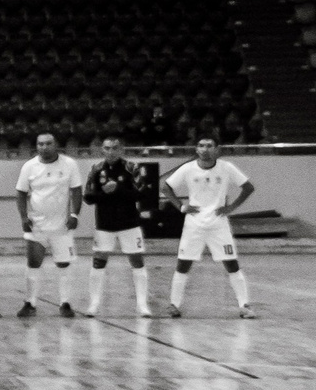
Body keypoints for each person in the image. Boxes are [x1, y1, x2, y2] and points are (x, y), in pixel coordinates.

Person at [164, 136, 255, 318]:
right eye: (201, 145)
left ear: (217, 149)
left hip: (218, 224)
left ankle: (244, 305)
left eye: (209, 146)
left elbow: (248, 187)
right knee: (183, 264)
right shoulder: (188, 168)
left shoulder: (226, 168)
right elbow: (165, 187)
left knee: (231, 263)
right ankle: (174, 305)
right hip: (194, 224)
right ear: (196, 149)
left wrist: (231, 207)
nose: (205, 149)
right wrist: (181, 206)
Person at [14, 132, 84, 317]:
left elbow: (76, 190)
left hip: (62, 227)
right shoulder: (29, 166)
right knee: (33, 263)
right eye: (40, 144)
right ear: (36, 146)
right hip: (36, 226)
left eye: (48, 143)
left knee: (64, 264)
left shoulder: (69, 164)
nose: (44, 147)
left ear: (56, 145)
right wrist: (23, 217)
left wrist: (74, 214)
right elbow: (21, 193)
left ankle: (65, 303)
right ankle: (30, 303)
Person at [81, 136, 152, 317]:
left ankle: (142, 305)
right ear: (102, 150)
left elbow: (142, 194)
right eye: (107, 148)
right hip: (105, 224)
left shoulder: (132, 168)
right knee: (98, 262)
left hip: (129, 223)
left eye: (114, 148)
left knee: (137, 261)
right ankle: (94, 304)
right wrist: (104, 192)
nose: (110, 152)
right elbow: (88, 197)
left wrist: (119, 189)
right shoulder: (96, 169)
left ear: (122, 150)